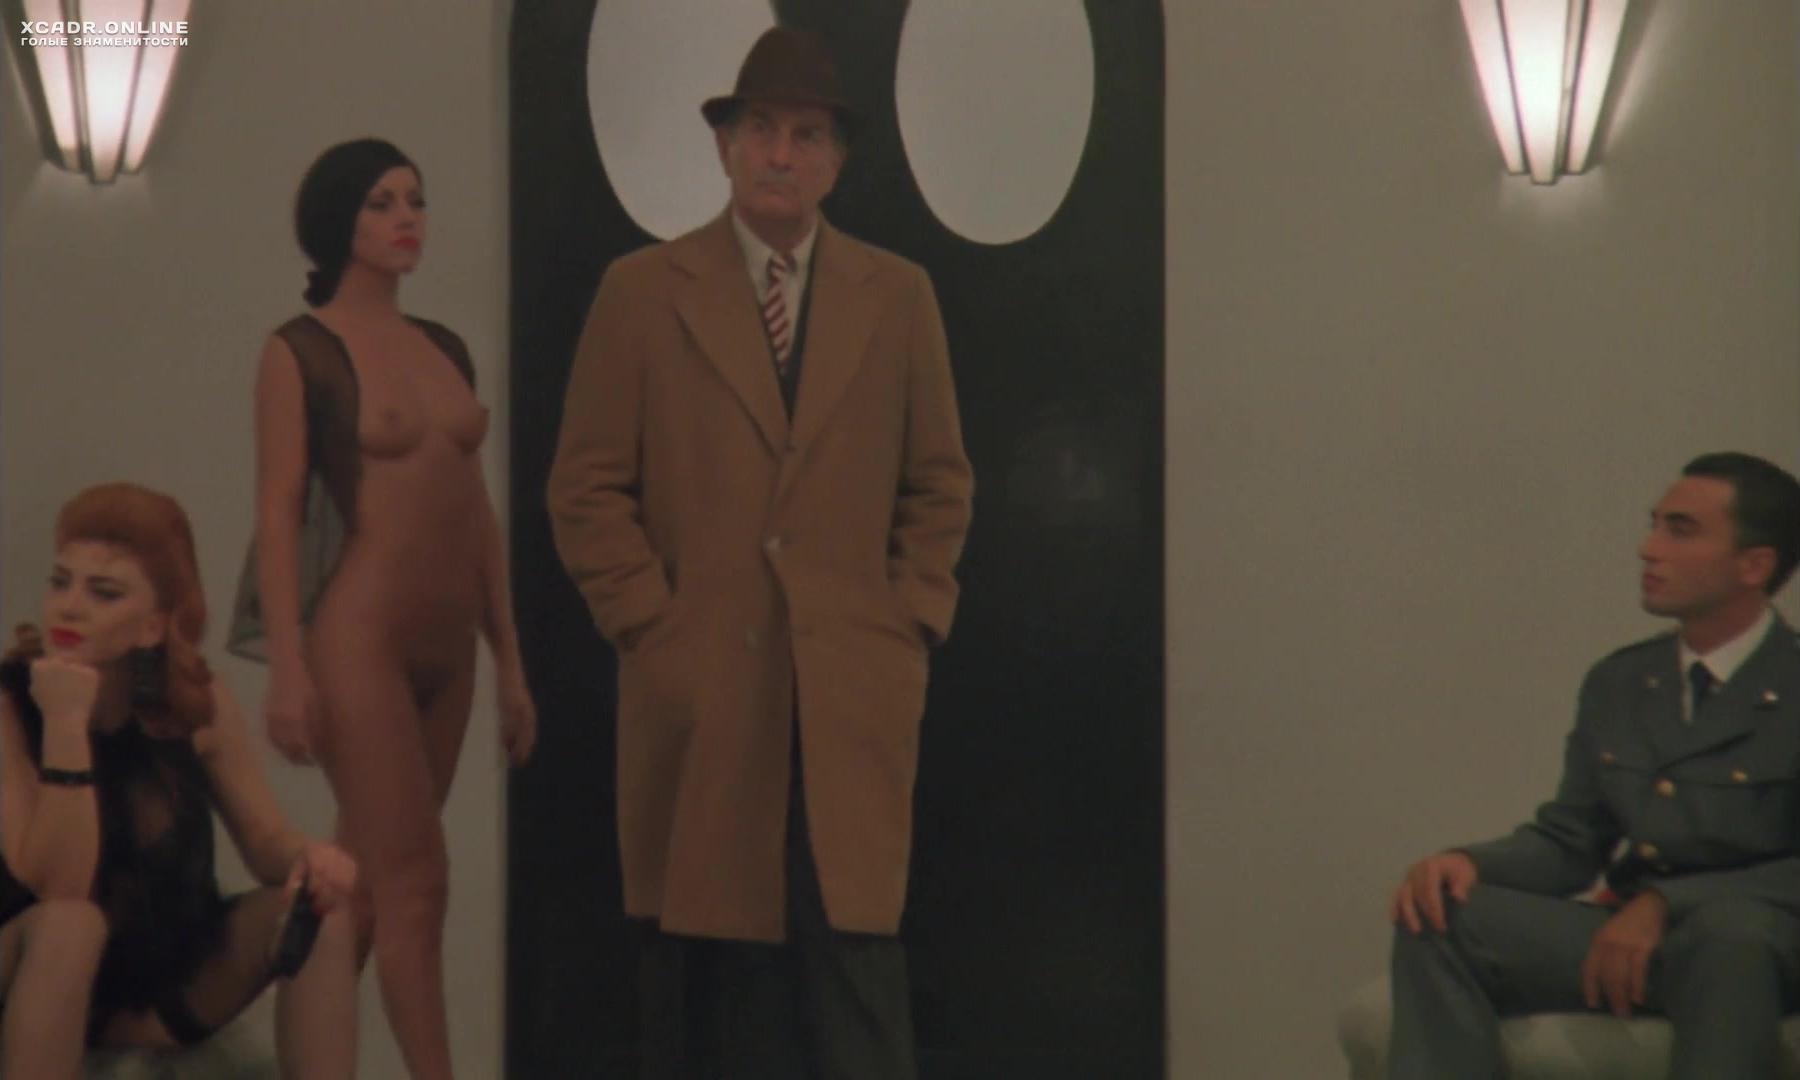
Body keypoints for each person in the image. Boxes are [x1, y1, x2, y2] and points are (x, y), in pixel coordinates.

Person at [547, 25, 974, 1080]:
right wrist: (654, 629)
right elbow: (586, 486)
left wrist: (908, 622)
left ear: (837, 160)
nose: (782, 154)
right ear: (725, 146)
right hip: (704, 686)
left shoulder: (899, 296)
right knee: (706, 979)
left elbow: (939, 481)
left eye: (808, 135)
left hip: (847, 683)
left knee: (852, 970)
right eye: (763, 130)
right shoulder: (642, 292)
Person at [228, 137, 538, 1079]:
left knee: (364, 879)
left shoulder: (445, 348)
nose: (407, 218)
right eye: (381, 202)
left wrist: (510, 661)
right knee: (418, 880)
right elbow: (279, 511)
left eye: (415, 199)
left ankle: (299, 1057)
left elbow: (476, 513)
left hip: (451, 648)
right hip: (357, 635)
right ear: (339, 221)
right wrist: (287, 667)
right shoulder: (301, 350)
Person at [1386, 451, 1800, 1078]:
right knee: (1440, 918)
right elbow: (1572, 840)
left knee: (1731, 939)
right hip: (1635, 935)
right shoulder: (1622, 681)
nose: (1647, 548)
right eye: (1653, 525)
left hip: (1759, 946)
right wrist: (1470, 862)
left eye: (1680, 530)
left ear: (1755, 565)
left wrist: (1664, 903)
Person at [0, 482, 360, 1078]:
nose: (69, 606)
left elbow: (265, 841)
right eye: (60, 582)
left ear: (152, 626)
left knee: (321, 911)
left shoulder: (194, 703)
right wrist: (64, 722)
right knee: (72, 926)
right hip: (28, 967)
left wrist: (313, 859)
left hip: (163, 979)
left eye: (103, 592)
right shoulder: (12, 702)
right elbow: (59, 885)